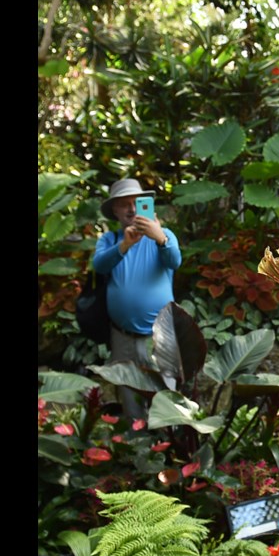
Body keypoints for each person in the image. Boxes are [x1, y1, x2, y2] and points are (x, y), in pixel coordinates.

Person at [93, 178, 182, 419]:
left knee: (165, 398)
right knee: (130, 396)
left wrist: (159, 237)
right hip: (122, 336)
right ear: (115, 210)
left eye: (136, 202)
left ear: (146, 205)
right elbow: (99, 266)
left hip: (160, 336)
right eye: (124, 204)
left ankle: (170, 445)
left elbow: (175, 261)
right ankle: (136, 447)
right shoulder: (110, 240)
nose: (131, 209)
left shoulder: (164, 235)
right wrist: (125, 245)